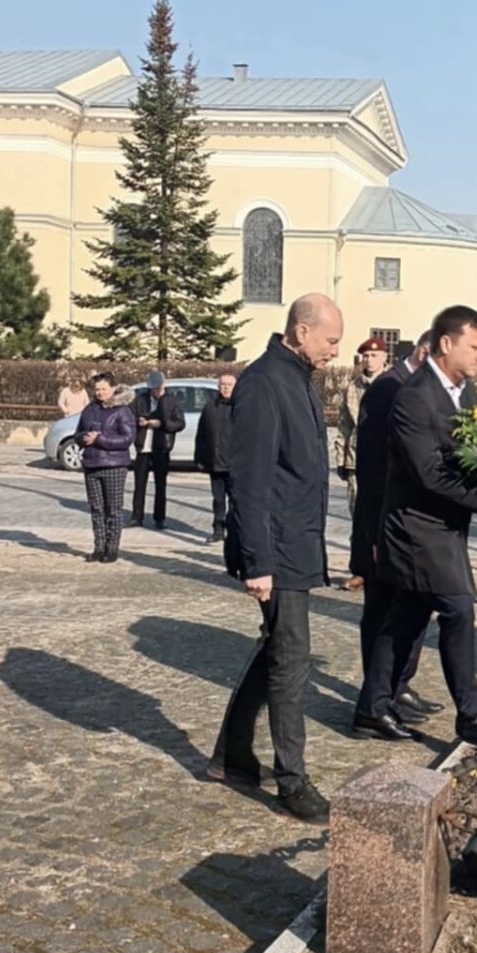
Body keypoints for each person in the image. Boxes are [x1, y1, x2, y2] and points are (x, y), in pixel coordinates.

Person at [355, 304, 477, 748]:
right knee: (458, 609)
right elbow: (428, 472)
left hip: (444, 527)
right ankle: (470, 717)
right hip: (415, 529)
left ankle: (371, 708)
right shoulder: (413, 396)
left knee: (406, 619)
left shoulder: (463, 393)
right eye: (475, 347)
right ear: (446, 344)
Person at [210, 294, 342, 821]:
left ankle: (233, 757)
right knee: (291, 661)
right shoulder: (265, 382)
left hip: (296, 543)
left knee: (277, 653)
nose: (337, 349)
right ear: (302, 331)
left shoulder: (298, 376)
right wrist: (257, 560)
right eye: (331, 340)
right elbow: (250, 480)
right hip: (276, 549)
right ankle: (292, 781)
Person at [348, 331, 440, 729]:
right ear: (426, 353)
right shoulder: (387, 391)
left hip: (412, 527)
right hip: (383, 526)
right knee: (383, 613)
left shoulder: (420, 388)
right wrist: (372, 535)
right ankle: (377, 695)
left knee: (413, 608)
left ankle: (398, 684)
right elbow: (372, 473)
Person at [78, 372, 137, 563]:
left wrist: (100, 439)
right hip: (91, 464)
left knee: (113, 509)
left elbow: (127, 438)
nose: (100, 393)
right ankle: (99, 547)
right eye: (97, 389)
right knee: (96, 508)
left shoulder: (122, 410)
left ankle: (112, 549)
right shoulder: (90, 409)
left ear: (113, 388)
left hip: (114, 465)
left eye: (103, 389)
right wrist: (83, 439)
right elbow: (77, 433)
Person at [337, 336, 390, 527]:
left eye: (374, 355)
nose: (369, 359)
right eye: (365, 356)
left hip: (385, 458)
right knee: (358, 512)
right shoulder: (353, 387)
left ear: (384, 357)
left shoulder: (393, 383)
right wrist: (341, 459)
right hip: (356, 457)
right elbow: (344, 424)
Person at [131, 370, 185, 530]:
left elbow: (180, 423)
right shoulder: (140, 399)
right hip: (143, 446)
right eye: (152, 389)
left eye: (157, 389)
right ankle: (136, 516)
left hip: (161, 447)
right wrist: (138, 421)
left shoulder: (171, 400)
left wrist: (162, 424)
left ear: (163, 386)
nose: (154, 392)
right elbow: (128, 417)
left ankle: (159, 518)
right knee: (139, 484)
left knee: (160, 485)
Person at [195, 371, 237, 544]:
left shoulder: (241, 407)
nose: (225, 388)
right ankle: (218, 531)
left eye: (228, 385)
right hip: (215, 462)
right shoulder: (210, 407)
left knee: (236, 501)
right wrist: (199, 458)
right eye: (222, 385)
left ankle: (234, 531)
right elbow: (202, 434)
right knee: (218, 500)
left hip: (236, 464)